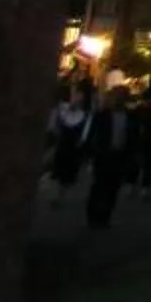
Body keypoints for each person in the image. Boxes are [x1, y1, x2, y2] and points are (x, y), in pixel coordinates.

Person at [81, 91, 135, 229]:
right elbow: (92, 133)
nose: (118, 102)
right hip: (104, 155)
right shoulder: (102, 115)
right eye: (117, 99)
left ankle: (105, 216)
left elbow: (132, 137)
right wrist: (89, 153)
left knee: (113, 187)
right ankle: (92, 215)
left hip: (119, 155)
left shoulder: (130, 117)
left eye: (121, 99)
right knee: (99, 185)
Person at [45, 83, 91, 203]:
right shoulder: (60, 110)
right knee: (56, 172)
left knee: (67, 175)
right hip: (61, 145)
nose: (76, 98)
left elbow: (84, 134)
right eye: (74, 95)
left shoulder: (84, 115)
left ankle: (60, 194)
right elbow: (52, 127)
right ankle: (56, 195)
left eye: (79, 96)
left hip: (73, 148)